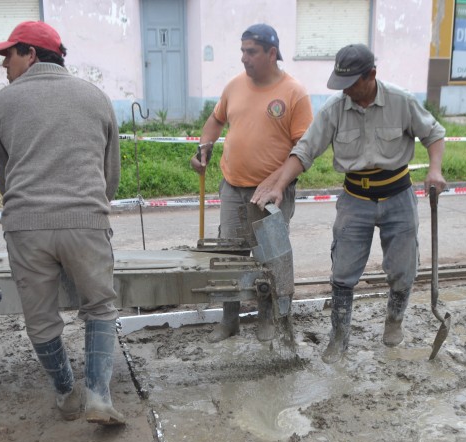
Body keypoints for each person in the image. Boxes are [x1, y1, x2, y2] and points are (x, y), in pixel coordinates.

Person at [253, 44, 447, 363]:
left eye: (351, 83)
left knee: (403, 269)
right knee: (342, 272)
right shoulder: (334, 108)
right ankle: (339, 338)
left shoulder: (401, 101)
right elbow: (305, 151)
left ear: (371, 75)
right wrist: (280, 185)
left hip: (398, 196)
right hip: (355, 199)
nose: (345, 91)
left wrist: (435, 169)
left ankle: (394, 321)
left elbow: (433, 134)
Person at [0, 21, 124, 425]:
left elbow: (3, 174)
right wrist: (92, 209)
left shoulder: (1, 103)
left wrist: (26, 206)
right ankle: (98, 396)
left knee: (41, 317)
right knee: (100, 307)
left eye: (9, 54)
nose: (4, 64)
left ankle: (66, 393)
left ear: (31, 54)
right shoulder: (96, 96)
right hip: (86, 221)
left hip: (26, 226)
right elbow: (109, 172)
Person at [190, 23, 313, 343]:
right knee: (229, 255)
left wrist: (279, 182)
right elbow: (215, 121)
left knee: (269, 257)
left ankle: (266, 319)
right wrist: (204, 147)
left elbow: (304, 147)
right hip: (232, 186)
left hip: (271, 193)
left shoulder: (293, 93)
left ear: (272, 54)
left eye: (251, 52)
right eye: (242, 51)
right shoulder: (234, 86)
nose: (244, 58)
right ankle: (228, 320)